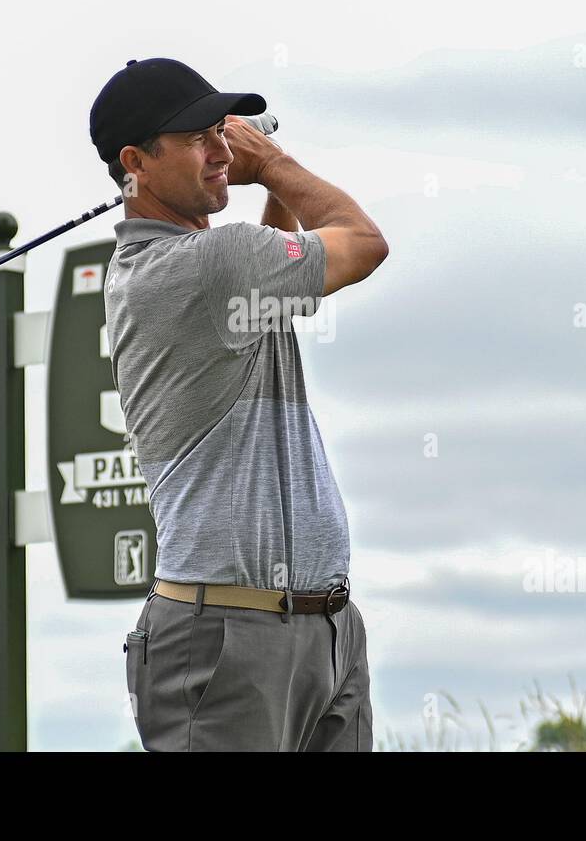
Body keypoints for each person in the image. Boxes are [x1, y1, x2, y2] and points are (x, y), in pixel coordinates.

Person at [91, 57, 389, 751]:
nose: (224, 149)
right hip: (228, 638)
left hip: (326, 628)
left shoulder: (216, 269)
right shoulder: (203, 267)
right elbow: (365, 243)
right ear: (136, 161)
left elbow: (272, 260)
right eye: (200, 139)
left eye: (223, 132)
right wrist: (273, 164)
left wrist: (239, 173)